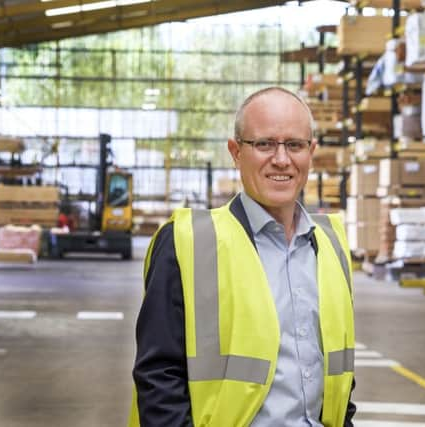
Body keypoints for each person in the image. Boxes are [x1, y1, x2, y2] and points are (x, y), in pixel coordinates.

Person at [129, 87, 356, 427]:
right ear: (236, 152)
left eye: (294, 145)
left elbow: (340, 378)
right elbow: (159, 378)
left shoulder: (331, 243)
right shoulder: (187, 242)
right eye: (264, 144)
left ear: (311, 152)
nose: (281, 159)